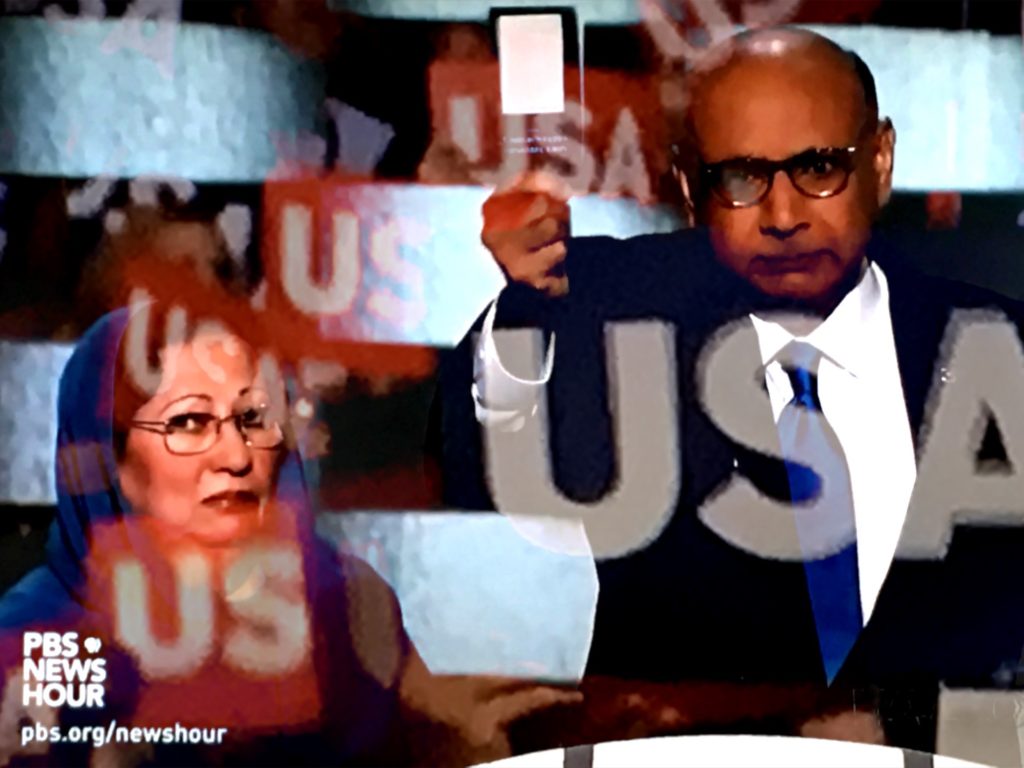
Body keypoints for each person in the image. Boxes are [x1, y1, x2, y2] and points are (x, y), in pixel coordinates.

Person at [438, 26, 1024, 754]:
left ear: (881, 160)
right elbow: (481, 475)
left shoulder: (1001, 347)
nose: (783, 217)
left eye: (818, 169)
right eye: (743, 178)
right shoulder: (613, 309)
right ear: (690, 189)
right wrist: (525, 307)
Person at [0, 294, 578, 766]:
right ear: (109, 461)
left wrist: (457, 751)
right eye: (190, 422)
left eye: (254, 417)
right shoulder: (30, 652)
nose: (236, 454)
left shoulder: (345, 604)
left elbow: (445, 737)